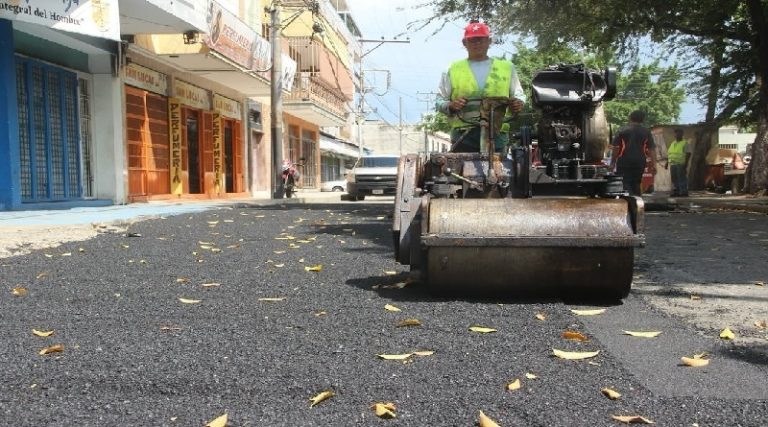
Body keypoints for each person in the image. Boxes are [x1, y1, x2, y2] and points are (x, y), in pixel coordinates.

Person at [435, 22, 526, 152]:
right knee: (458, 171)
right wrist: (451, 105)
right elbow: (439, 101)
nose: (477, 43)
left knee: (502, 170)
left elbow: (518, 94)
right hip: (464, 137)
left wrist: (518, 103)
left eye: (481, 39)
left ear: (489, 41)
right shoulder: (452, 69)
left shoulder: (507, 68)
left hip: (497, 135)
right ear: (464, 43)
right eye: (472, 40)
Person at [610, 110, 657, 196]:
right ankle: (637, 202)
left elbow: (616, 148)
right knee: (636, 182)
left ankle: (629, 202)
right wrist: (654, 165)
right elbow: (651, 149)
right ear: (642, 120)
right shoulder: (646, 132)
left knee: (625, 183)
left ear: (630, 118)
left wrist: (612, 163)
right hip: (639, 161)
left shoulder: (622, 130)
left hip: (624, 161)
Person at [667, 128, 691, 197]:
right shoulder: (673, 143)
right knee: (674, 178)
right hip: (672, 164)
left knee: (681, 178)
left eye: (679, 133)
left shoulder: (685, 143)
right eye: (676, 133)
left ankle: (684, 192)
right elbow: (670, 153)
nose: (677, 135)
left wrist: (686, 164)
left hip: (681, 164)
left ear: (682, 134)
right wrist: (667, 163)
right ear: (674, 135)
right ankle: (676, 191)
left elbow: (688, 153)